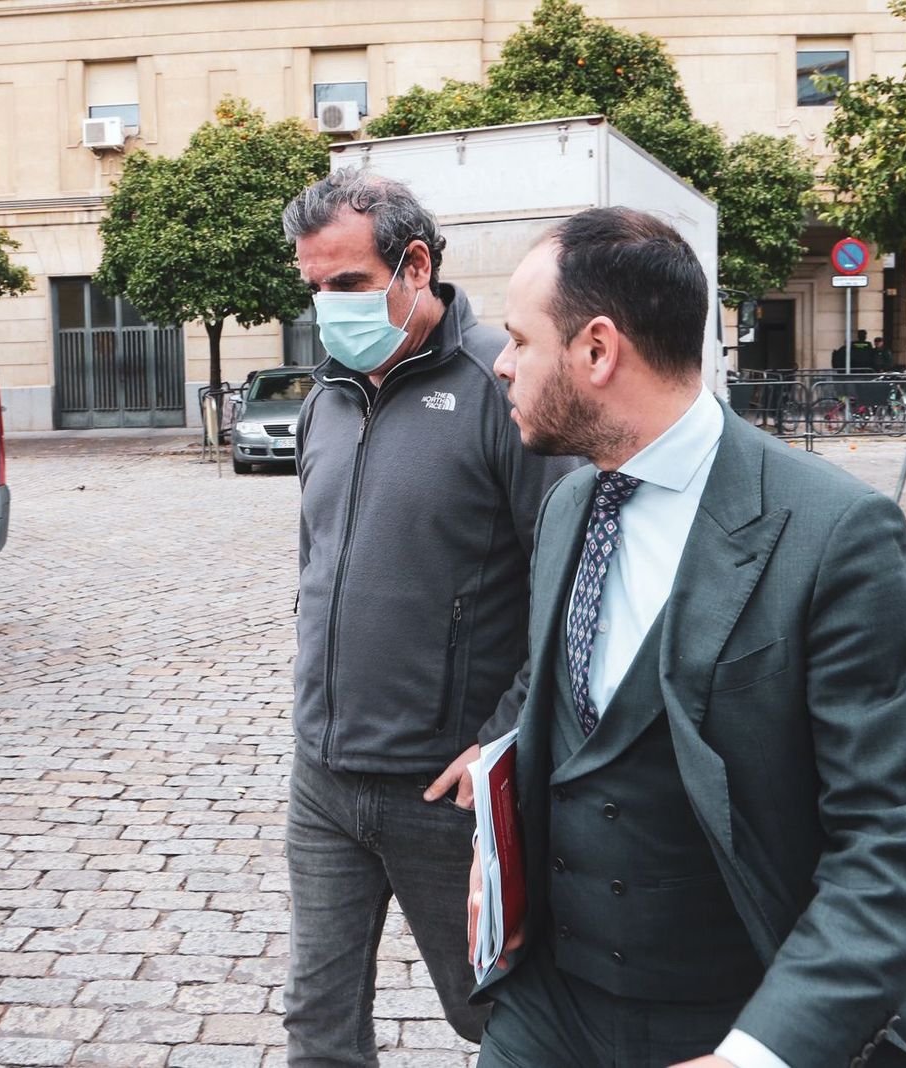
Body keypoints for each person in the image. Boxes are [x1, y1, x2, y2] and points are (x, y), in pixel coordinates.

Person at [478, 207, 906, 1068]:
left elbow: (893, 833)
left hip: (740, 1008)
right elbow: (564, 708)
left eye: (519, 340)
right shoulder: (564, 508)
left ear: (597, 351)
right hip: (554, 1005)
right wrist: (496, 825)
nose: (502, 365)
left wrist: (760, 1052)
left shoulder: (834, 531)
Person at [280, 170, 580, 1065]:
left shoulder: (504, 383)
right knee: (316, 1022)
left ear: (415, 266)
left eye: (347, 284)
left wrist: (500, 739)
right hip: (323, 781)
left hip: (445, 794)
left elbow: (568, 588)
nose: (328, 308)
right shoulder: (325, 398)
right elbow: (317, 563)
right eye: (314, 289)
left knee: (493, 1015)